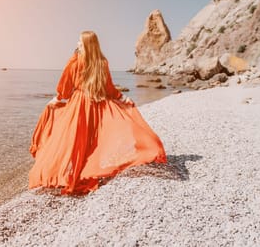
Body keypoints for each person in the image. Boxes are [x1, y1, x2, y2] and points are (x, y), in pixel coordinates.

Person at [28, 31, 167, 195]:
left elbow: (65, 88)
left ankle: (68, 173)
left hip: (79, 105)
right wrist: (122, 98)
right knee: (92, 141)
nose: (77, 43)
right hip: (97, 104)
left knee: (74, 141)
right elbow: (108, 88)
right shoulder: (102, 63)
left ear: (86, 44)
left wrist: (57, 99)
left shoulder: (74, 63)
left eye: (80, 41)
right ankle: (88, 168)